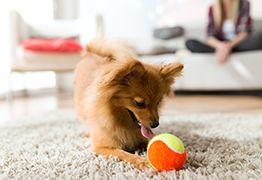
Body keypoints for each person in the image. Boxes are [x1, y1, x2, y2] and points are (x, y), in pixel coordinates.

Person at [186, 0, 262, 64]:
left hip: (237, 44)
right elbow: (210, 37)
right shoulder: (212, 8)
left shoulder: (244, 4)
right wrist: (221, 46)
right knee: (190, 43)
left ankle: (222, 52)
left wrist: (228, 46)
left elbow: (245, 32)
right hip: (220, 44)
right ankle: (222, 51)